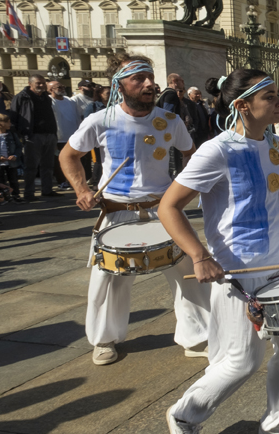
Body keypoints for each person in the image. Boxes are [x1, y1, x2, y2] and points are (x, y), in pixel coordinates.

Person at [158, 68, 279, 434]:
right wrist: (199, 255)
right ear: (242, 106)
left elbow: (269, 190)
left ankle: (277, 422)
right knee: (241, 359)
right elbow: (168, 207)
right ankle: (185, 415)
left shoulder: (273, 142)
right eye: (271, 97)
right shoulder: (217, 151)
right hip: (239, 271)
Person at [59, 55, 211, 366]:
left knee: (189, 273)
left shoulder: (170, 120)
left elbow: (190, 156)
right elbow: (68, 155)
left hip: (163, 208)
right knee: (109, 279)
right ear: (119, 85)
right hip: (117, 210)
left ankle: (197, 337)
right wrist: (83, 190)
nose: (148, 84)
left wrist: (182, 191)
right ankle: (104, 340)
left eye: (150, 77)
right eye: (138, 79)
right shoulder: (100, 120)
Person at [12, 74, 60, 201]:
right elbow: (14, 117)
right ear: (30, 84)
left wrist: (54, 134)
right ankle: (29, 193)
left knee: (48, 165)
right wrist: (21, 135)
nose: (41, 86)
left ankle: (47, 190)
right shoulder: (22, 97)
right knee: (31, 167)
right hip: (33, 136)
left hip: (49, 135)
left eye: (43, 83)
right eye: (38, 83)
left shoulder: (46, 97)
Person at [48, 80, 81, 190]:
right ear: (50, 89)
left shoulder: (69, 101)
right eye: (58, 87)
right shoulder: (50, 101)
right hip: (59, 137)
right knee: (60, 161)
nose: (62, 88)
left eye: (63, 86)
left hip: (72, 135)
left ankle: (72, 181)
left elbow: (76, 116)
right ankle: (61, 181)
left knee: (74, 160)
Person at [0, 113, 22, 199]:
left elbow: (19, 146)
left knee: (13, 180)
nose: (9, 124)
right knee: (0, 181)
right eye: (7, 122)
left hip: (11, 163)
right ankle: (3, 196)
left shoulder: (12, 135)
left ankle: (16, 196)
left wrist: (15, 155)